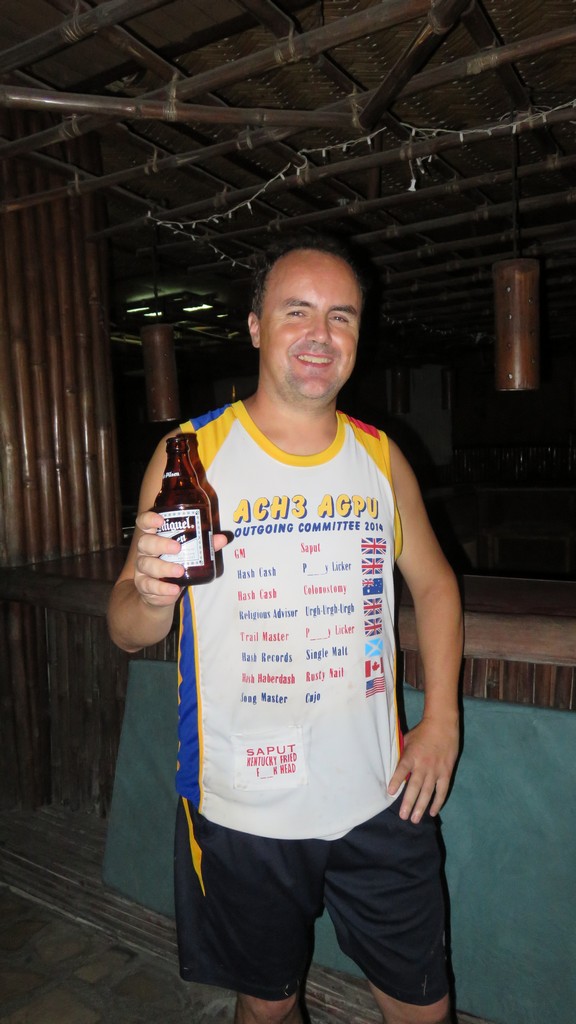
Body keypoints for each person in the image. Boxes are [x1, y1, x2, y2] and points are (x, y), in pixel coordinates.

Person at [107, 232, 463, 1024]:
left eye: (342, 315)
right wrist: (152, 596)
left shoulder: (381, 457)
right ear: (255, 326)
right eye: (296, 310)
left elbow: (436, 583)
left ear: (359, 333)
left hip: (382, 795)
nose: (320, 334)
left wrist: (442, 718)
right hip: (243, 805)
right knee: (268, 1007)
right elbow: (127, 629)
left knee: (423, 1008)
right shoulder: (191, 454)